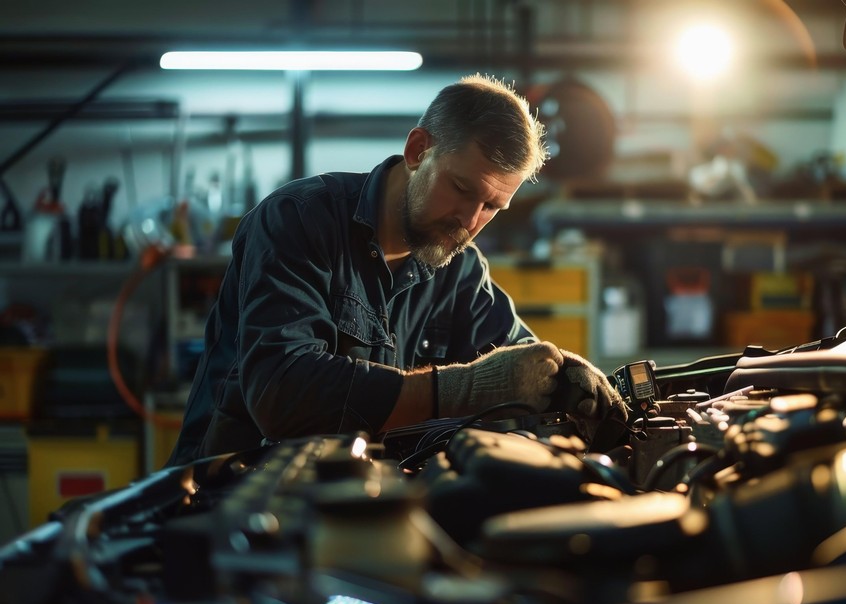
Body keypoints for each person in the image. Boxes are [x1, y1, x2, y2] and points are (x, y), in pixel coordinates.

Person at [166, 74, 624, 467]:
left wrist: (563, 375)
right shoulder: (297, 221)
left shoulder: (460, 270)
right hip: (226, 501)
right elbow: (283, 394)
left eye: (491, 206)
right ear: (418, 149)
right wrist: (460, 389)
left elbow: (520, 366)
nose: (469, 221)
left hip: (362, 503)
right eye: (462, 188)